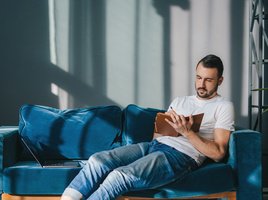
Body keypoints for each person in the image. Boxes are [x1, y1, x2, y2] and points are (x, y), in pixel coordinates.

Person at [61, 54, 235, 200]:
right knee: (97, 161)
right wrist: (163, 127)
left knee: (119, 177)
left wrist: (187, 132)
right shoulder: (180, 101)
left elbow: (218, 153)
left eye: (208, 80)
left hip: (181, 157)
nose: (201, 84)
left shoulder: (223, 106)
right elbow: (158, 136)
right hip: (153, 147)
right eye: (198, 77)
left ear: (220, 80)